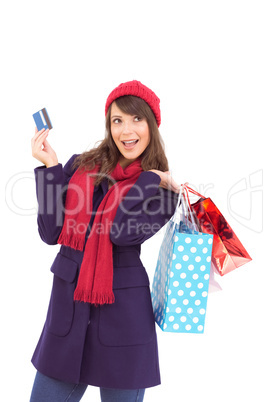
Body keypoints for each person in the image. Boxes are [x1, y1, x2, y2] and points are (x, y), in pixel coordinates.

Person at [30, 80, 180, 402]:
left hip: (122, 321)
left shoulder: (163, 192)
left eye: (137, 119)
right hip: (67, 315)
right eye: (118, 120)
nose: (127, 130)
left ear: (152, 124)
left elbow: (121, 231)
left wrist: (150, 177)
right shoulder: (81, 166)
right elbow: (50, 233)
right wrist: (51, 168)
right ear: (109, 125)